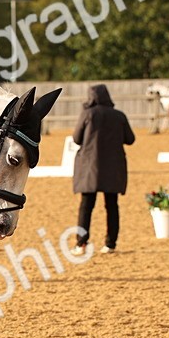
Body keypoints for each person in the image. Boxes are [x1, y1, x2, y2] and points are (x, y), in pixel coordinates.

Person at [71, 84, 135, 255]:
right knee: (112, 205)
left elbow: (76, 138)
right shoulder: (119, 115)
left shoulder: (88, 114)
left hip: (90, 166)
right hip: (113, 166)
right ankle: (110, 244)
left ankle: (81, 243)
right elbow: (130, 139)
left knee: (86, 206)